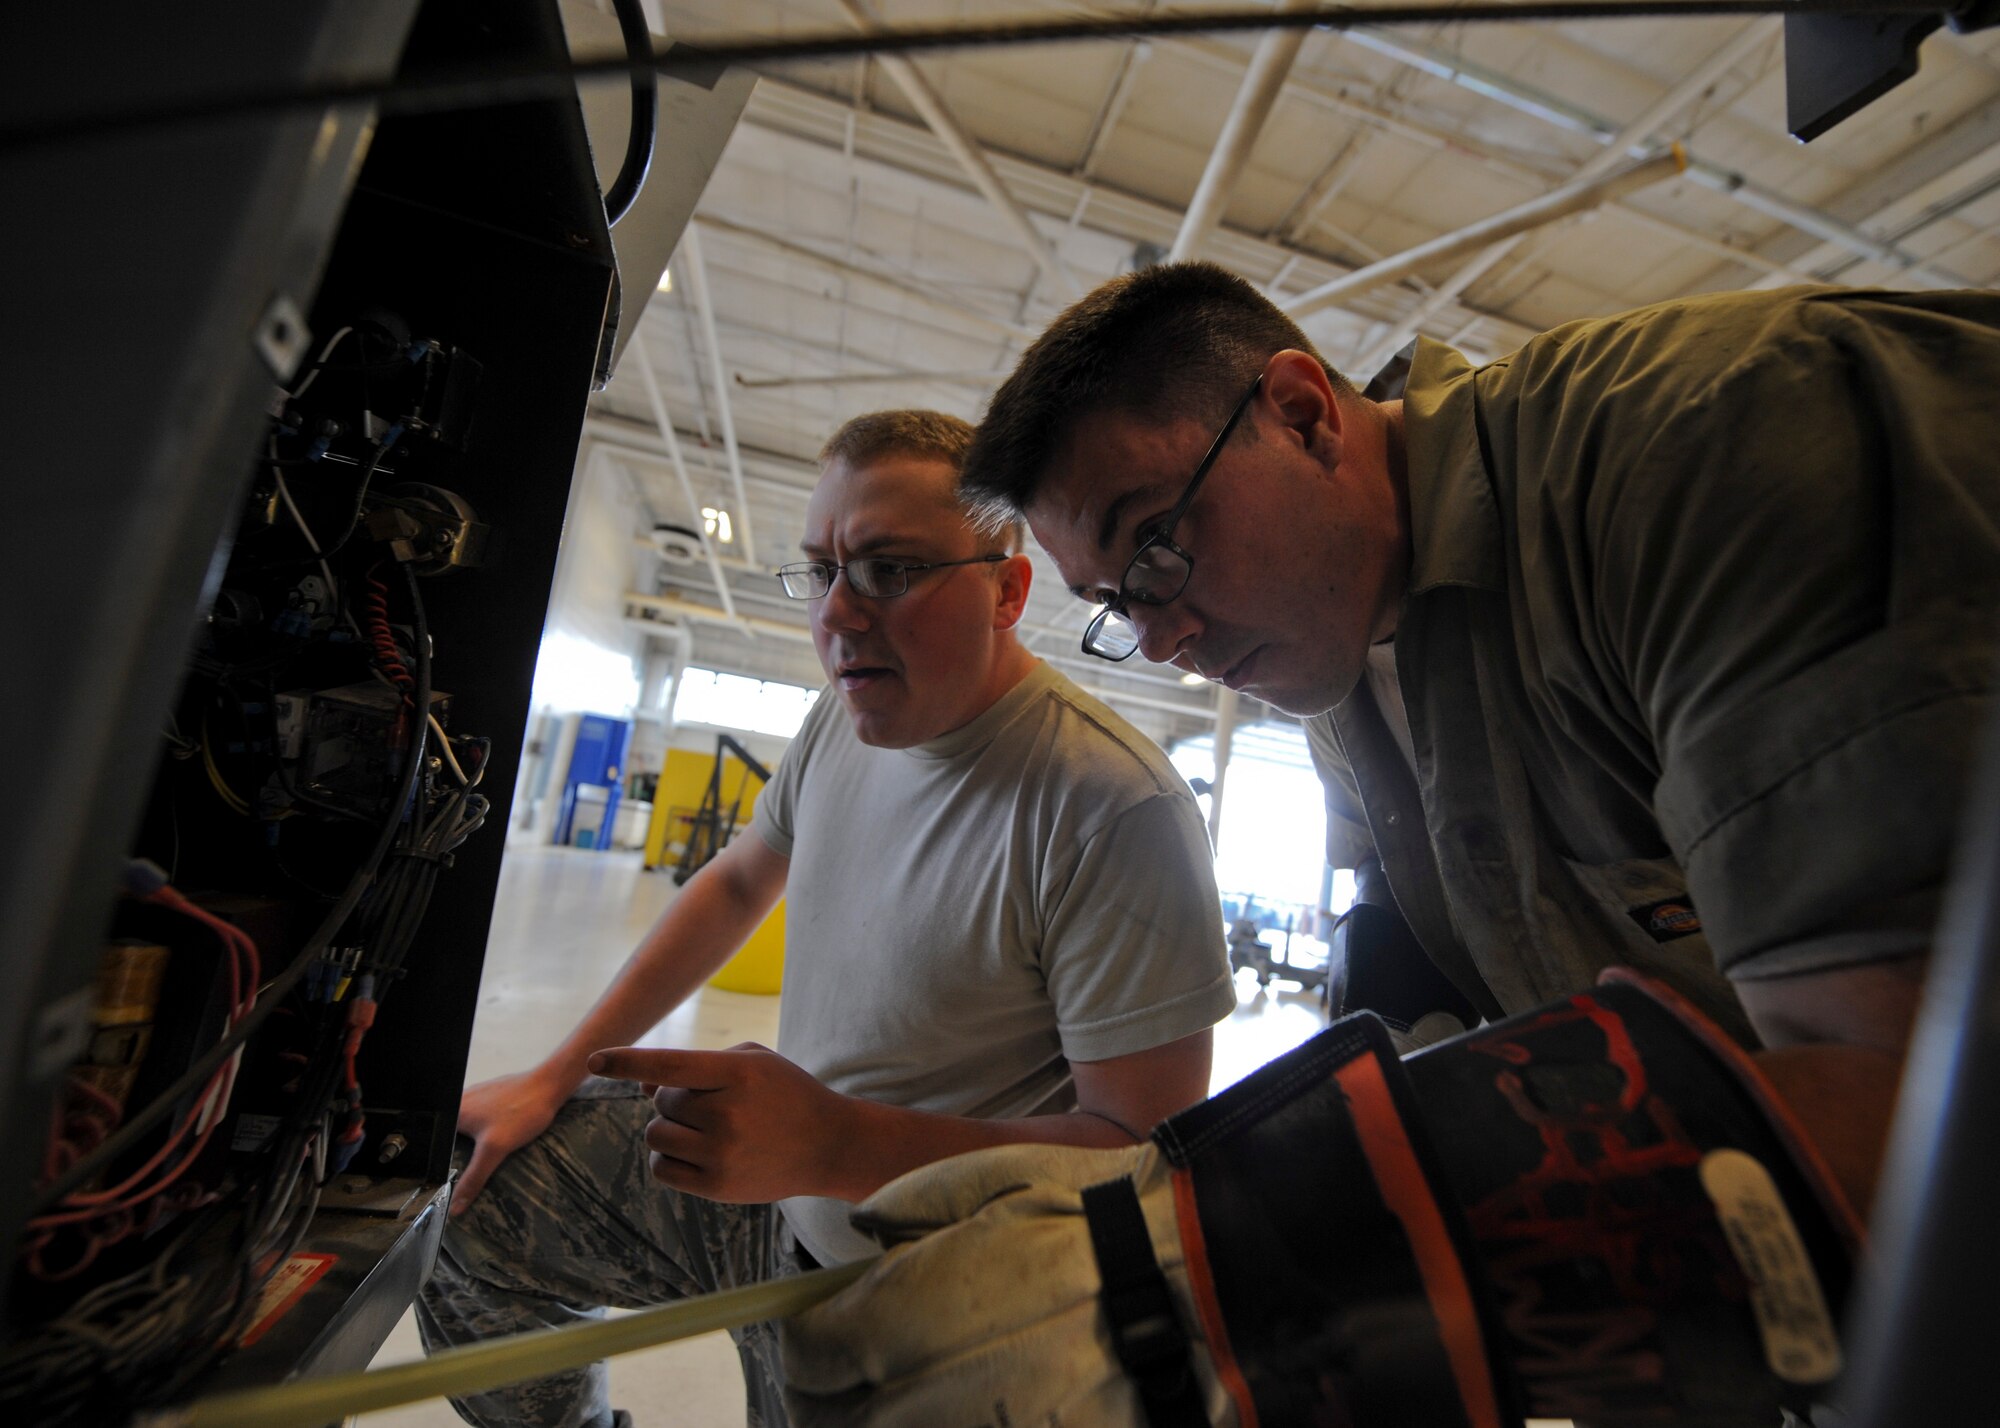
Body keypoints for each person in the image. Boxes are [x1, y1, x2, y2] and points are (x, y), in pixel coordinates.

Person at [776, 270, 2000, 1426]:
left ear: (1304, 413)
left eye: (1153, 546)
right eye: (1115, 602)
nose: (1156, 638)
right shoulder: (1346, 674)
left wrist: (1234, 1270)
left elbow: (1917, 1121)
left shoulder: (1708, 439)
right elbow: (1440, 1022)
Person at [418, 409, 1235, 1428]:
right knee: (469, 1207)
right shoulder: (844, 716)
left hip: (939, 1299)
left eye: (891, 570)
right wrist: (559, 1073)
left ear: (1007, 589)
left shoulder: (1111, 807)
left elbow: (1133, 1153)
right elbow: (735, 883)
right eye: (822, 569)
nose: (839, 617)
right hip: (777, 1201)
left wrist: (837, 1144)